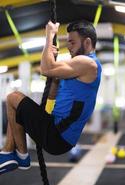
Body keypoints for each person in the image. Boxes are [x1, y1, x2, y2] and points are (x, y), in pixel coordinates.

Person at [0, 20, 102, 175]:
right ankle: (17, 156)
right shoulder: (77, 69)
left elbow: (45, 68)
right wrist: (54, 77)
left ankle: (14, 153)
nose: (69, 47)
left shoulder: (89, 63)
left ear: (87, 42)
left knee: (13, 97)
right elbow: (53, 90)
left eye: (72, 42)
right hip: (58, 132)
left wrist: (49, 35)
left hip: (57, 135)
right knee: (17, 107)